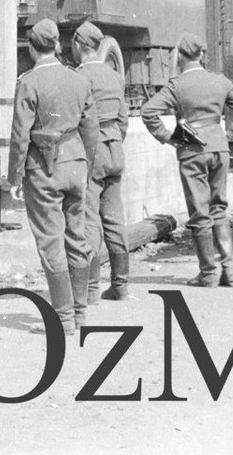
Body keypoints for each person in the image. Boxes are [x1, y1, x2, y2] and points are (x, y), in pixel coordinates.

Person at [140, 32, 233, 288]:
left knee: (199, 213)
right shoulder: (220, 81)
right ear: (202, 55)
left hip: (192, 151)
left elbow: (148, 111)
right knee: (219, 209)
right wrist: (231, 133)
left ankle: (208, 273)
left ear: (180, 56)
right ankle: (230, 270)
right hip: (219, 147)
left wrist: (169, 137)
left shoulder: (176, 85)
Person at [7, 19, 99, 334]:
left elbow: (20, 135)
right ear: (57, 46)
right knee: (77, 238)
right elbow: (91, 128)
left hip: (44, 167)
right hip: (76, 164)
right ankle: (81, 313)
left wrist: (14, 176)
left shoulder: (29, 82)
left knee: (51, 242)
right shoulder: (78, 79)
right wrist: (85, 164)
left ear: (32, 48)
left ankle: (62, 319)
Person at [72, 22, 131, 302]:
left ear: (79, 45)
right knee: (115, 218)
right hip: (114, 150)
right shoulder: (113, 76)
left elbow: (76, 122)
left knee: (90, 219)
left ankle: (91, 290)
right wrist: (115, 142)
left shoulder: (80, 77)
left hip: (91, 152)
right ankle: (120, 285)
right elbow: (123, 120)